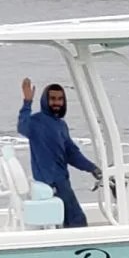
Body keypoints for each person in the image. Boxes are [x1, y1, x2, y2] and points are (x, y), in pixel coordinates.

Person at [16, 77, 102, 228]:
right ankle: (79, 248)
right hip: (50, 181)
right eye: (53, 99)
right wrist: (27, 102)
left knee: (73, 218)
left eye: (60, 99)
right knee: (77, 219)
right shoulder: (36, 122)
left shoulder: (61, 125)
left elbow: (71, 153)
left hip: (62, 180)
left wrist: (92, 168)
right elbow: (22, 127)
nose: (57, 103)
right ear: (45, 100)